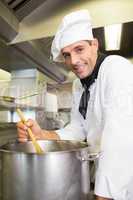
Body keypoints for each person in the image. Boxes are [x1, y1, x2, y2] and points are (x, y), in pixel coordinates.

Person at [17, 10, 133, 200]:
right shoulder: (79, 84)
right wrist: (41, 135)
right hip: (104, 177)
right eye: (67, 55)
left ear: (94, 45)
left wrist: (103, 196)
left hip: (124, 180)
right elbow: (78, 129)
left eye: (79, 49)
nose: (74, 61)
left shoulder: (116, 69)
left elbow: (120, 139)